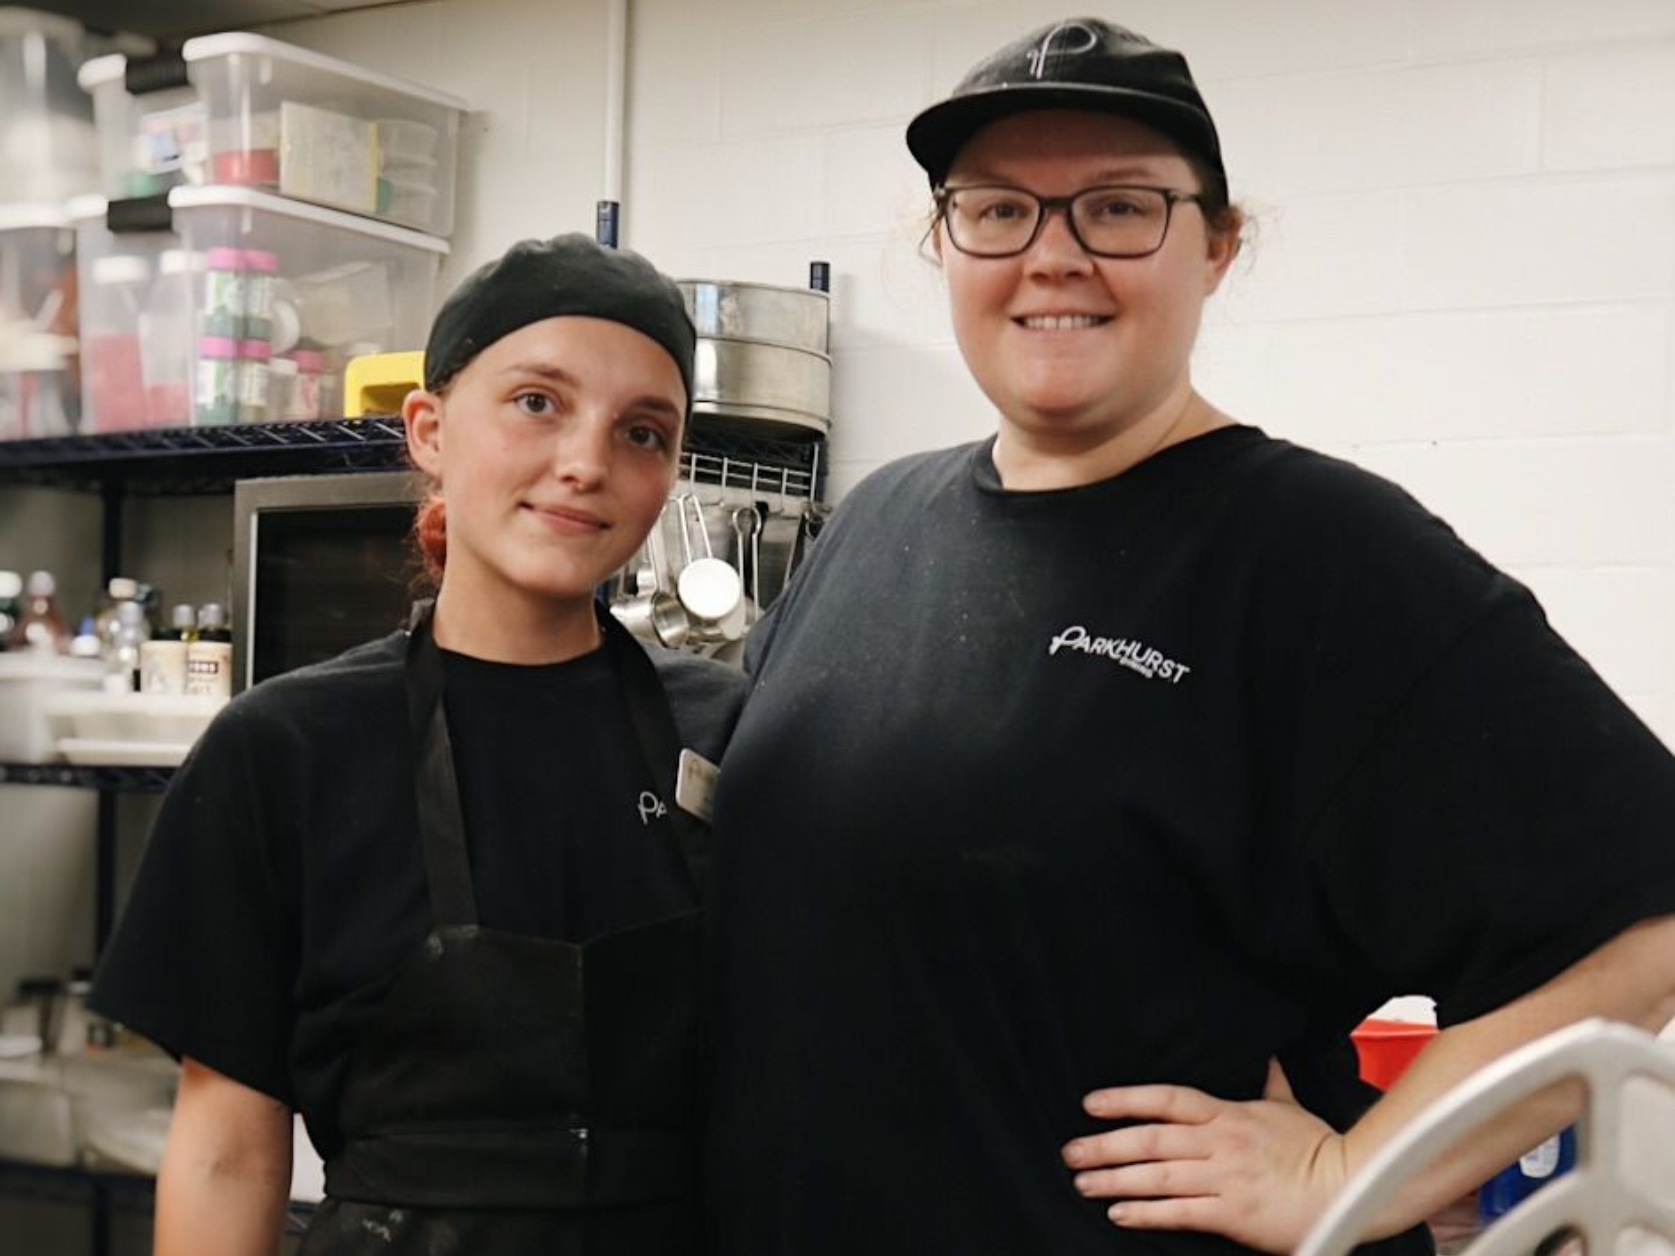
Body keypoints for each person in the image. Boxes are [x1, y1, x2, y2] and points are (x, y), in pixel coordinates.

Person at [705, 17, 1675, 1256]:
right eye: (997, 209)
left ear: (1217, 247)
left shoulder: (1316, 555)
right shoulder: (872, 522)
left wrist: (1350, 1170)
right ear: (942, 242)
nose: (1051, 255)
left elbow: (1641, 919)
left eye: (1118, 209)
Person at [91, 234, 748, 1255]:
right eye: (538, 401)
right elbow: (225, 1152)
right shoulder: (286, 751)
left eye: (643, 431)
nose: (585, 461)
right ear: (431, 430)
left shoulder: (730, 735)